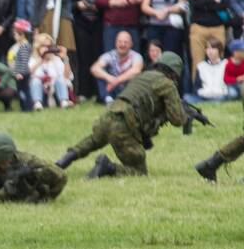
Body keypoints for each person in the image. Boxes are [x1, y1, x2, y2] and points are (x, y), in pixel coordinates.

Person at [56, 52, 188, 178]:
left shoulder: (143, 76)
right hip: (124, 123)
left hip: (109, 114)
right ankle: (108, 167)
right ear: (174, 72)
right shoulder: (167, 84)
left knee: (93, 141)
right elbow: (177, 119)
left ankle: (64, 160)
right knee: (138, 171)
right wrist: (185, 114)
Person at [184, 0, 231, 90]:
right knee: (198, 63)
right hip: (198, 28)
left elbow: (225, 4)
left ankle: (220, 90)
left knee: (219, 62)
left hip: (218, 28)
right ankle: (197, 92)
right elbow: (194, 3)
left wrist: (202, 0)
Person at [71, 0, 103, 100]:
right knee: (83, 58)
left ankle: (96, 91)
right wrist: (78, 4)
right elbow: (70, 4)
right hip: (82, 25)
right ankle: (83, 92)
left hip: (98, 25)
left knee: (97, 57)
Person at [91, 30, 143, 104]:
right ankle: (108, 99)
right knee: (100, 72)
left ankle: (129, 99)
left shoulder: (137, 56)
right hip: (113, 89)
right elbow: (94, 68)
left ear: (131, 44)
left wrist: (116, 81)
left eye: (126, 42)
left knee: (135, 76)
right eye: (120, 41)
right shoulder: (109, 55)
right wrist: (109, 78)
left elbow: (136, 71)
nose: (122, 44)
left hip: (129, 88)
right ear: (115, 43)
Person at [28, 33, 72, 110]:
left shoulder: (56, 59)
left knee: (60, 78)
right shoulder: (33, 59)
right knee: (35, 80)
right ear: (38, 47)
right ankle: (37, 104)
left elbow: (67, 77)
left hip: (54, 89)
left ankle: (64, 101)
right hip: (39, 89)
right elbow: (28, 75)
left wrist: (65, 59)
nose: (47, 49)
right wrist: (40, 60)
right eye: (44, 46)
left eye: (49, 46)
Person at [186, 39, 230, 104]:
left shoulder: (226, 64)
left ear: (219, 50)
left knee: (231, 94)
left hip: (221, 95)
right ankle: (211, 102)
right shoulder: (201, 66)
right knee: (186, 97)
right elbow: (196, 87)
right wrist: (205, 93)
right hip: (204, 96)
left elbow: (230, 84)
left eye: (213, 48)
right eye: (208, 48)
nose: (210, 51)